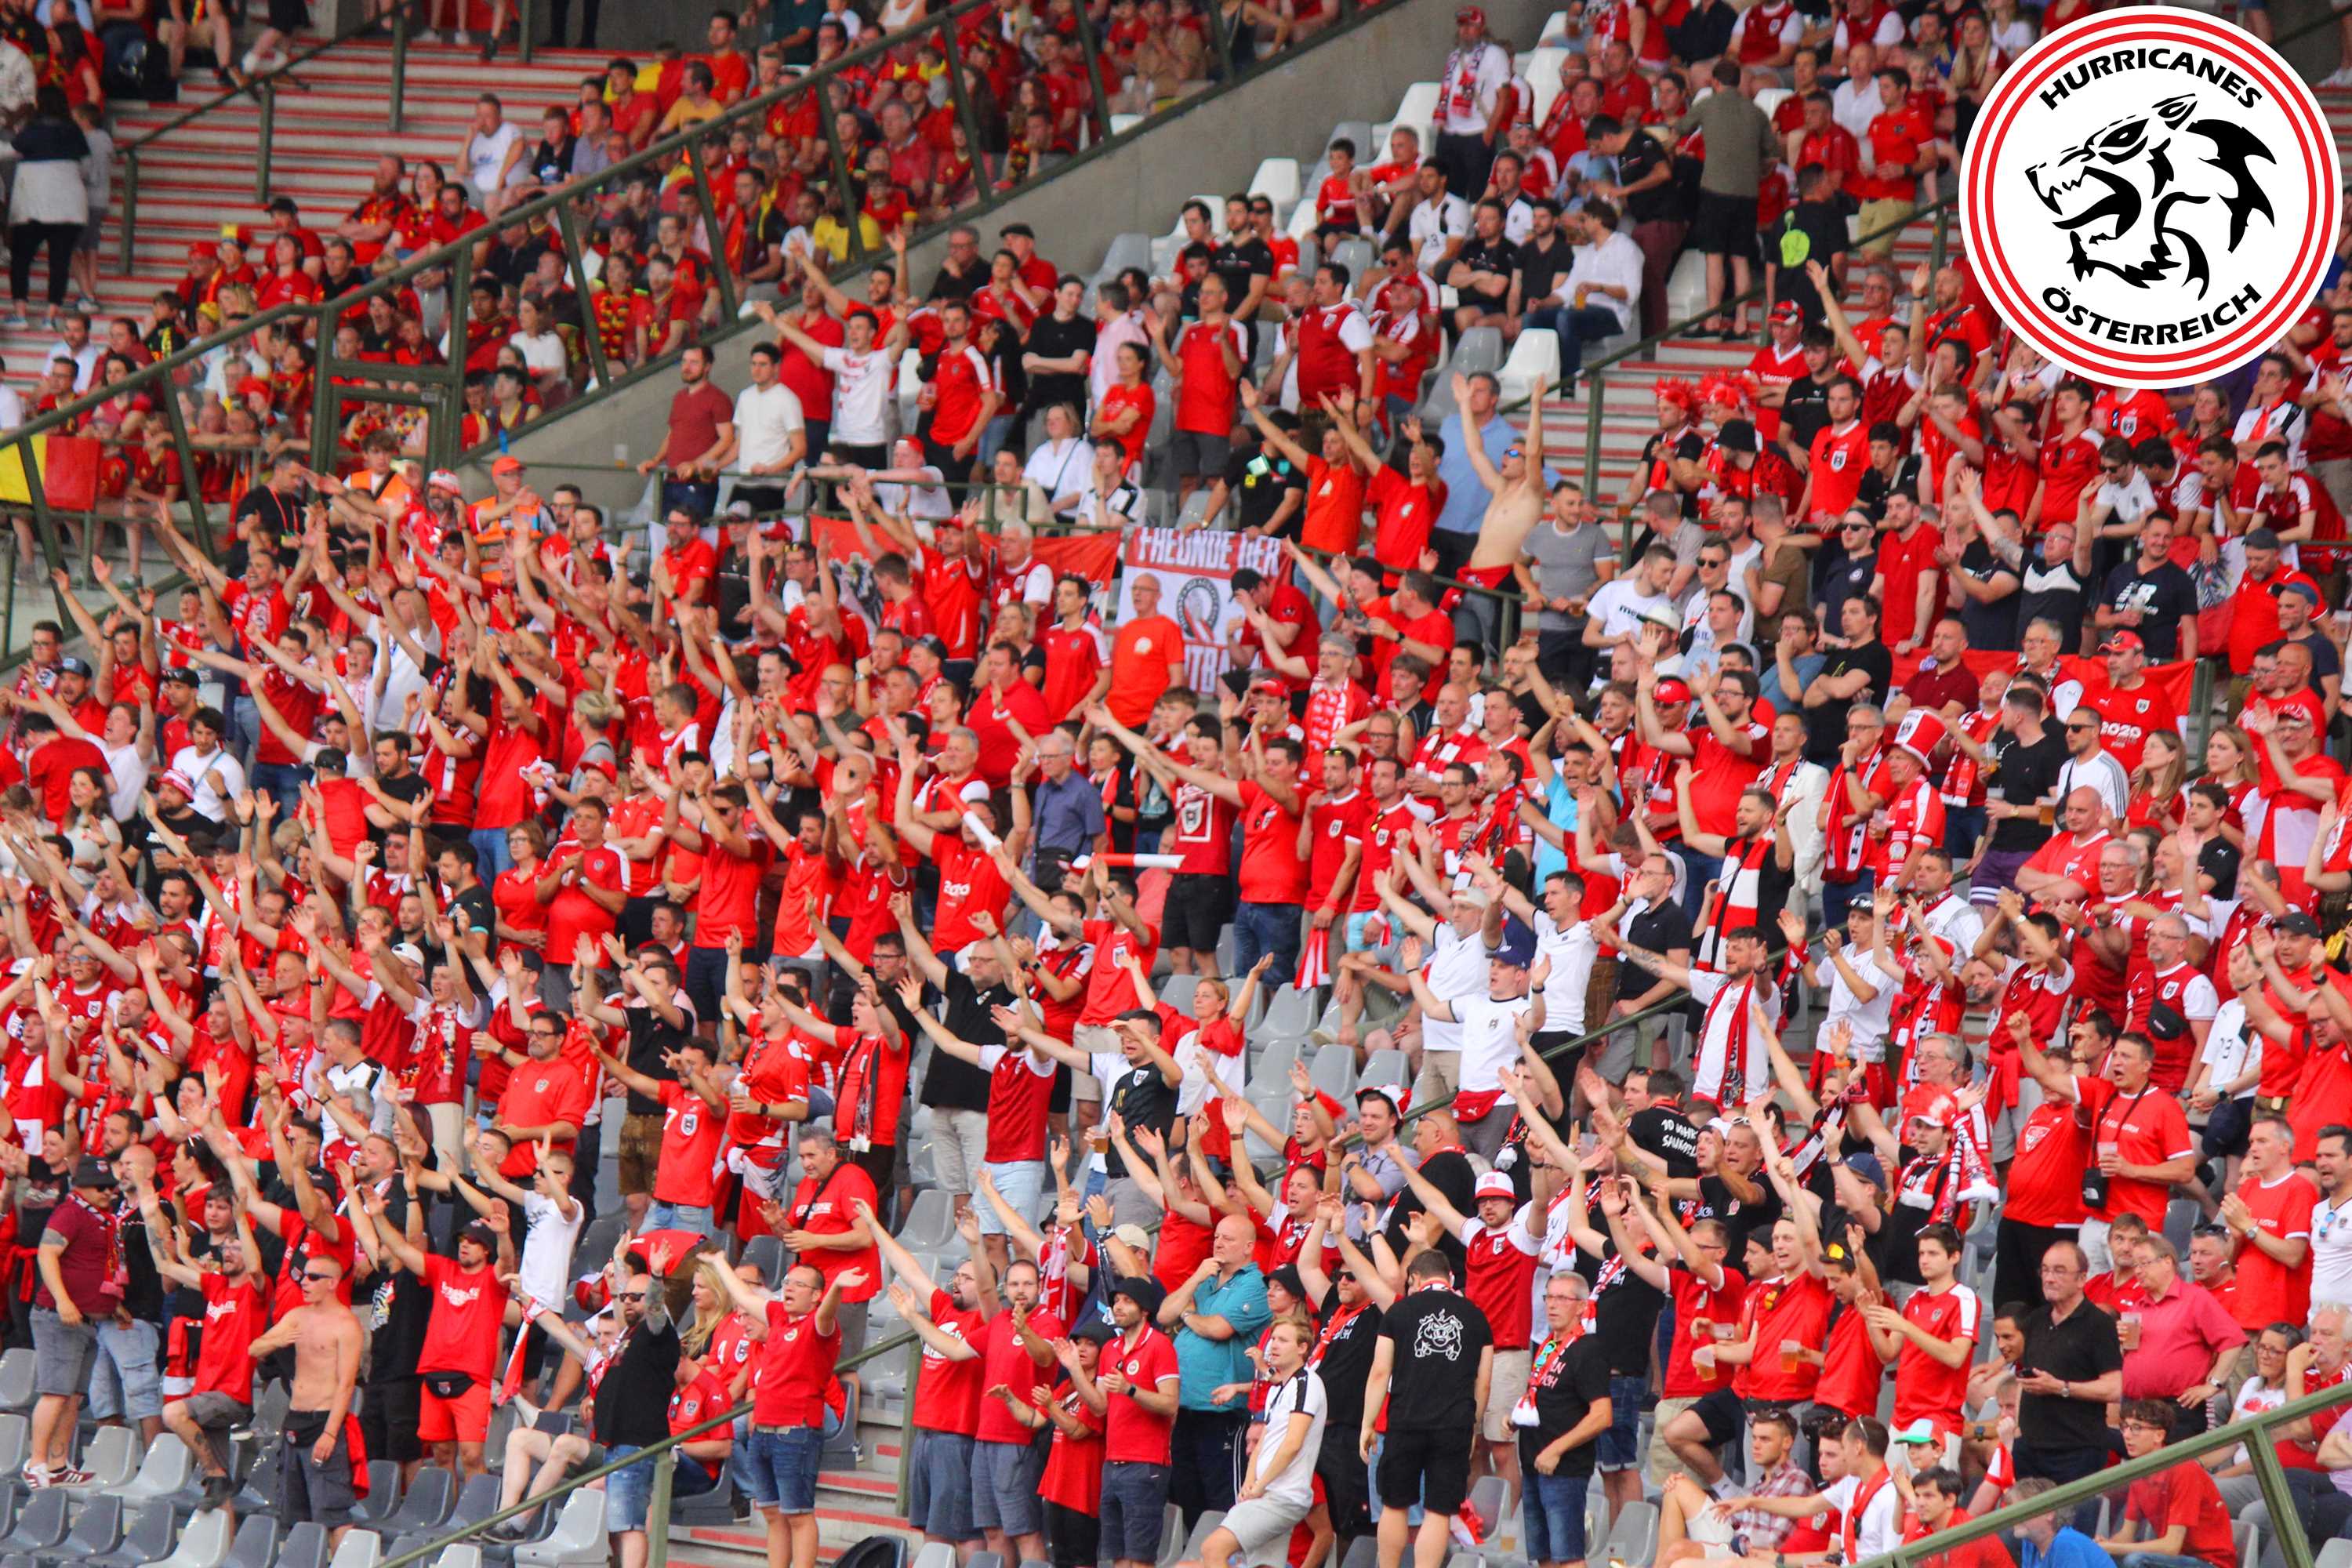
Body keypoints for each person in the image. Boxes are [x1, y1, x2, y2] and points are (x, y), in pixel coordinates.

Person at [1362, 1248, 1493, 1568]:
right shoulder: (1476, 1317)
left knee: (1395, 1505)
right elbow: (1484, 1383)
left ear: (1416, 1278)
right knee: (1438, 1510)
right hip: (1454, 1425)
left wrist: (1367, 1423)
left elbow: (1380, 1372)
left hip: (1406, 1421)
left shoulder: (1399, 1312)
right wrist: (1473, 1427)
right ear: (1449, 1277)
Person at [249, 1253, 365, 1541]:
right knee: (293, 1513)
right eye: (302, 1276)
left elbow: (346, 1385)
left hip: (323, 1422)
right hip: (294, 1420)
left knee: (333, 1515)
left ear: (333, 1283)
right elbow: (254, 1349)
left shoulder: (346, 1325)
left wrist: (330, 1433)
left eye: (313, 1277)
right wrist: (277, 1341)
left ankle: (342, 1562)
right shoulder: (296, 1316)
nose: (304, 1282)